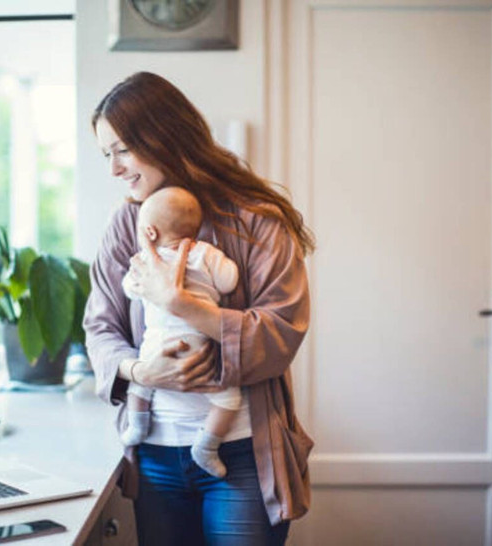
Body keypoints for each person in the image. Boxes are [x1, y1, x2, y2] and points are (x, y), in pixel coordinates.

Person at [84, 71, 315, 546]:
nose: (115, 169)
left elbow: (282, 329)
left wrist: (179, 304)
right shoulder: (128, 222)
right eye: (107, 154)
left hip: (243, 458)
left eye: (123, 149)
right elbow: (99, 326)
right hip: (153, 454)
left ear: (163, 137)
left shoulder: (256, 220)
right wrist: (141, 371)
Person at [120, 186, 241, 479]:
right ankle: (207, 446)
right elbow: (229, 281)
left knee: (141, 380)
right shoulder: (205, 253)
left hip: (156, 345)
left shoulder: (145, 261)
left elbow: (129, 289)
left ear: (149, 232)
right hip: (199, 344)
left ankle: (136, 424)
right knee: (229, 399)